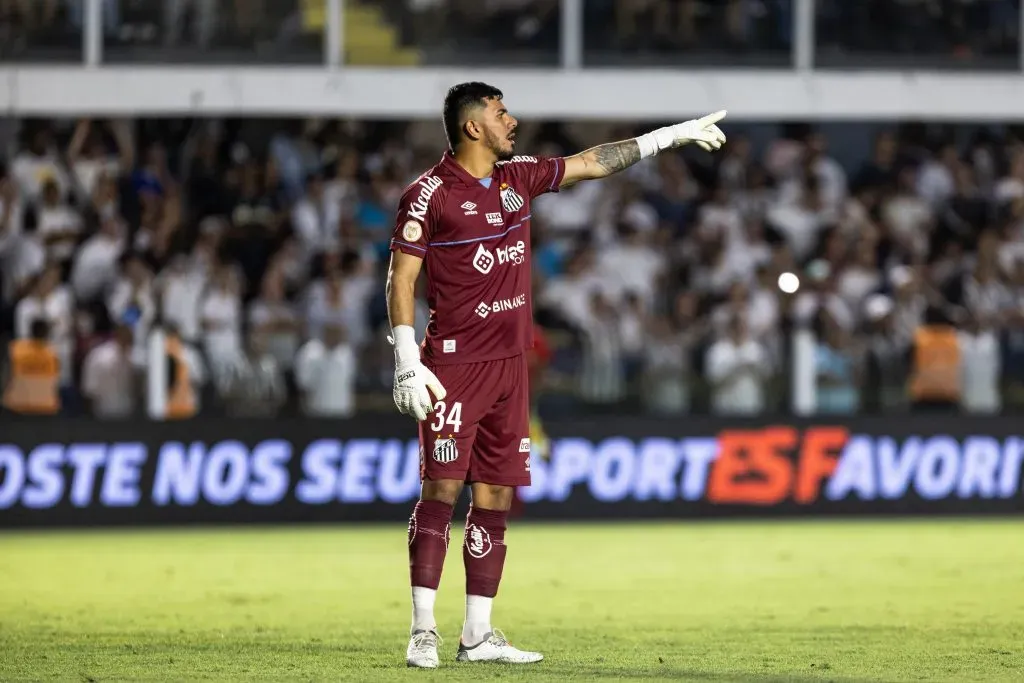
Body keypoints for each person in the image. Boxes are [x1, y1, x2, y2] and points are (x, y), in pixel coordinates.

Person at [386, 81, 727, 668]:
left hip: (511, 367)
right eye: (500, 113)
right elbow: (401, 277)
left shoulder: (518, 178)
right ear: (473, 127)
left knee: (494, 497)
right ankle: (423, 632)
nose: (511, 121)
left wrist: (668, 137)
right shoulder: (430, 193)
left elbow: (594, 163)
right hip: (453, 366)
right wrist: (405, 358)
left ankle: (476, 634)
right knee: (441, 491)